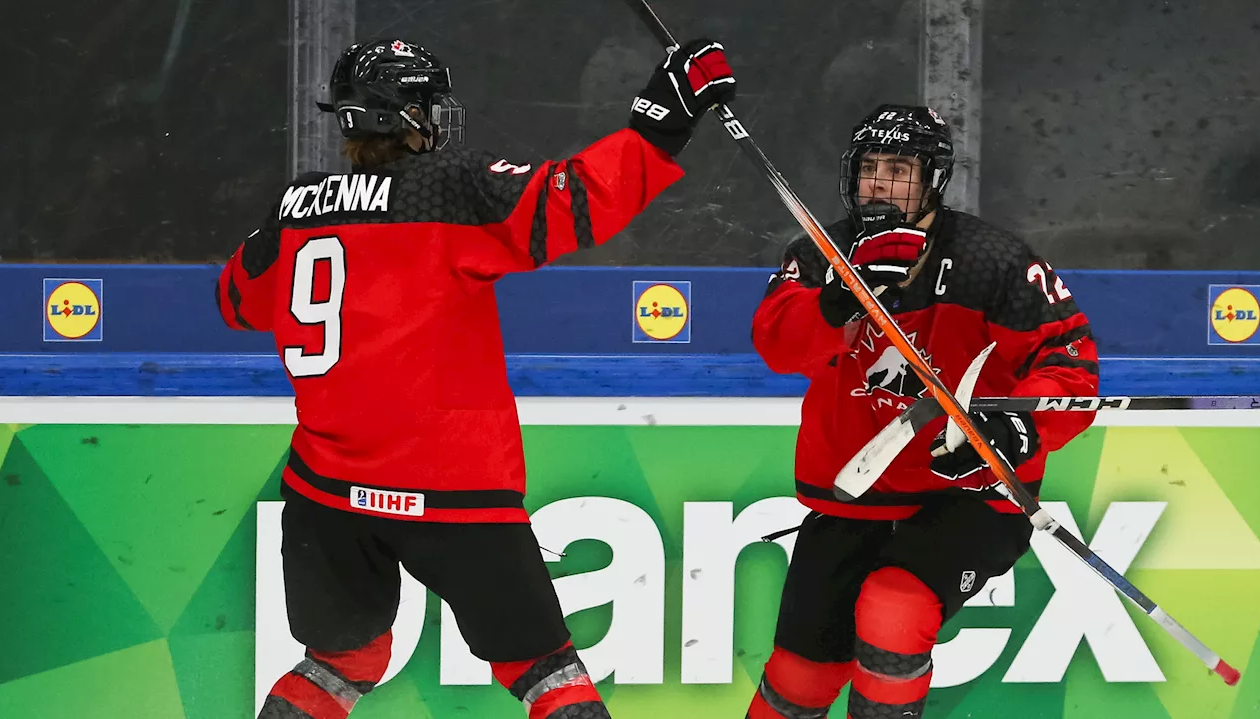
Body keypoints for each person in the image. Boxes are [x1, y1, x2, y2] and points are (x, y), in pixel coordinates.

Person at [214, 36, 736, 719]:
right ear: (400, 115)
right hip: (452, 490)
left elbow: (236, 301)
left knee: (340, 662)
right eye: (426, 105)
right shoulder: (445, 187)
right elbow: (570, 200)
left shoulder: (296, 205)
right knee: (543, 670)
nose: (437, 118)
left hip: (328, 491)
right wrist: (663, 118)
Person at [746, 105, 1100, 719]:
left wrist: (1018, 422)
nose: (882, 184)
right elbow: (777, 345)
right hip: (854, 494)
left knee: (894, 607)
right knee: (800, 678)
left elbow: (1070, 367)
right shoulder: (819, 251)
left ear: (933, 179)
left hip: (968, 493)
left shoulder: (994, 262)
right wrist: (836, 300)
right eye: (870, 168)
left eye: (900, 169)